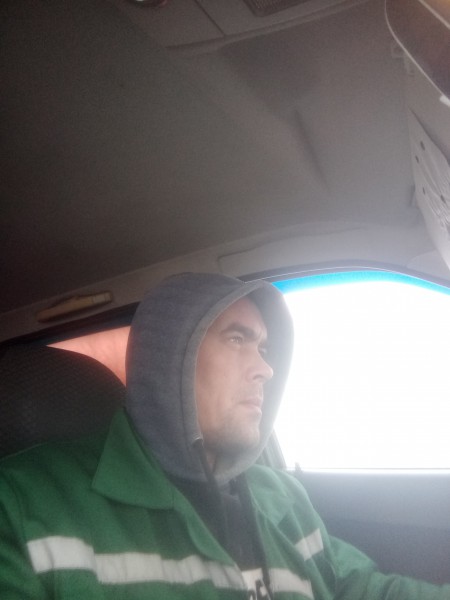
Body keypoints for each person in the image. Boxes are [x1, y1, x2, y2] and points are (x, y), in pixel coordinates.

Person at [0, 272, 449, 599]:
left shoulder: (283, 498)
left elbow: (362, 588)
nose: (265, 368)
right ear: (169, 360)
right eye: (237, 340)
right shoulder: (23, 504)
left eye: (264, 348)